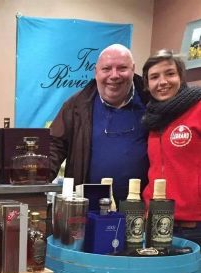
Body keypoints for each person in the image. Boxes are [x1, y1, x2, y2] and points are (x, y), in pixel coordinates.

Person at [50, 44, 149, 203]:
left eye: (122, 68)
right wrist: (33, 180)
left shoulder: (151, 102)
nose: (114, 75)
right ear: (96, 72)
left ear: (133, 69)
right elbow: (53, 146)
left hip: (142, 209)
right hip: (88, 209)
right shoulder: (76, 105)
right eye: (106, 69)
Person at [141, 49, 201, 246]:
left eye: (170, 73)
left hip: (194, 227)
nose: (163, 82)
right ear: (147, 84)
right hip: (155, 222)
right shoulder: (152, 120)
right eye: (154, 77)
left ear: (181, 77)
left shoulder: (198, 108)